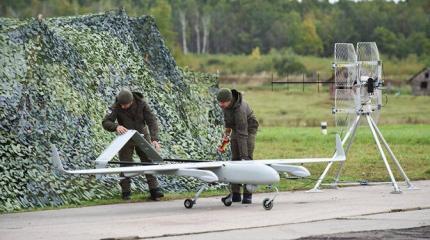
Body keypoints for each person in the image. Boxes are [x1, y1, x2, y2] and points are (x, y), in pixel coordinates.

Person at [102, 89, 164, 201]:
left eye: (126, 105)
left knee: (148, 161)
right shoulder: (115, 107)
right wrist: (116, 126)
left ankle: (155, 190)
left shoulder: (142, 104)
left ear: (132, 101)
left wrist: (155, 139)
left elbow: (152, 121)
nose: (123, 107)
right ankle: (126, 192)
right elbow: (106, 122)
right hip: (125, 137)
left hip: (142, 135)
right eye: (122, 105)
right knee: (125, 163)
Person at [217, 88, 259, 204]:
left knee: (246, 160)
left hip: (249, 129)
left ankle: (247, 194)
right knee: (234, 160)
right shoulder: (225, 107)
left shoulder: (240, 110)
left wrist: (244, 156)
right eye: (219, 102)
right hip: (237, 129)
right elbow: (228, 124)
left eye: (223, 102)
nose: (221, 104)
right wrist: (225, 140)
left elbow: (243, 134)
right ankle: (235, 193)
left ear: (229, 100)